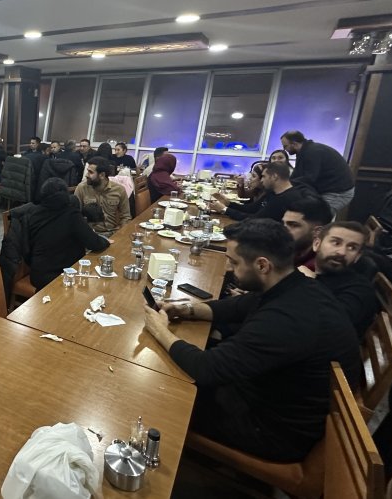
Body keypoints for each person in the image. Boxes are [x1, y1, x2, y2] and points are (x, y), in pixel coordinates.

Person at [140, 218, 361, 462]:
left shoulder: (286, 319)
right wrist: (185, 309)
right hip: (266, 396)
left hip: (270, 430)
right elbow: (235, 307)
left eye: (234, 262)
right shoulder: (293, 284)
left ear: (262, 265)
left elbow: (207, 369)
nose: (229, 267)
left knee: (155, 393)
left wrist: (160, 330)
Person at [16, 178, 111, 289]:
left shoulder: (32, 214)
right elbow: (94, 243)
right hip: (64, 275)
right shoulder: (71, 214)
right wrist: (106, 241)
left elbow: (26, 249)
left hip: (39, 275)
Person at [297, 221, 378, 338]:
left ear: (357, 256)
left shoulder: (360, 288)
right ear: (316, 244)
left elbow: (333, 324)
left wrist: (308, 284)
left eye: (352, 248)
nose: (342, 252)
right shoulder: (306, 270)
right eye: (336, 243)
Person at [280, 131, 355, 213]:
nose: (284, 149)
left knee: (316, 216)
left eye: (285, 146)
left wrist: (286, 184)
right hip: (328, 189)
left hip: (338, 192)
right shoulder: (304, 151)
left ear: (294, 144)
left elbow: (309, 178)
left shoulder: (312, 152)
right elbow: (297, 175)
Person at [210, 162, 309, 222]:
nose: (261, 180)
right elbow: (251, 209)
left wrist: (225, 210)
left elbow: (255, 219)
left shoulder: (288, 199)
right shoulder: (272, 192)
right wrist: (228, 203)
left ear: (274, 177)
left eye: (264, 176)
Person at [75, 156, 130, 235]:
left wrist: (121, 235)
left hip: (112, 233)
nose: (86, 175)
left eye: (90, 172)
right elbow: (75, 215)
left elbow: (126, 217)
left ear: (102, 175)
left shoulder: (119, 190)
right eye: (87, 171)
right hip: (90, 233)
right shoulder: (81, 188)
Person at [281, 194, 333, 269]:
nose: (283, 229)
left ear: (318, 231)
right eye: (283, 223)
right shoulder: (286, 251)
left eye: (293, 225)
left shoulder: (318, 267)